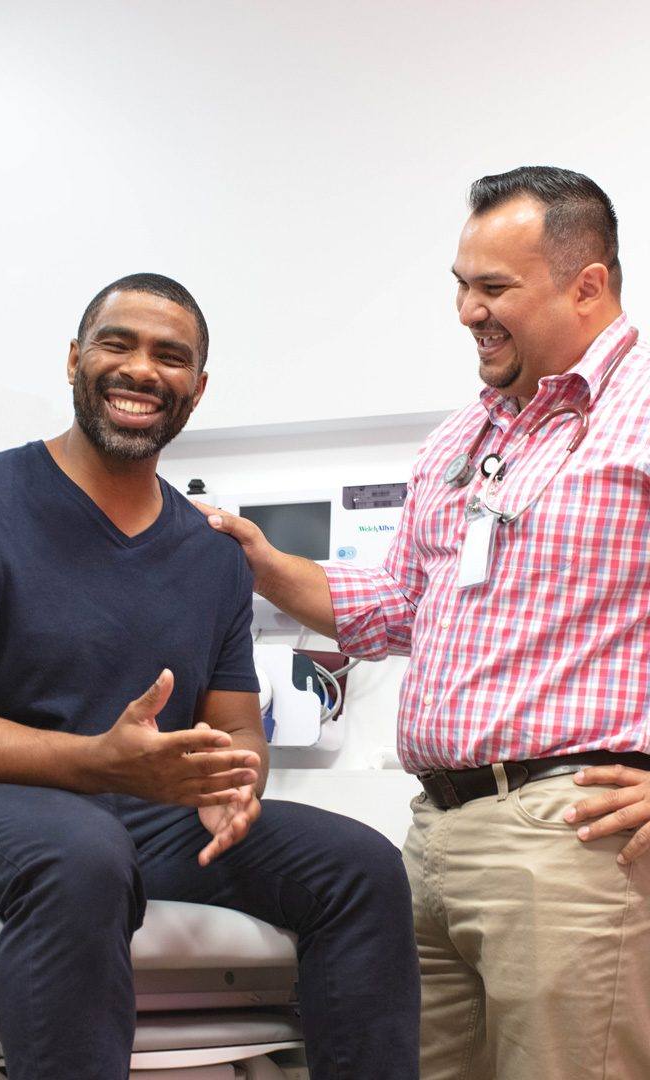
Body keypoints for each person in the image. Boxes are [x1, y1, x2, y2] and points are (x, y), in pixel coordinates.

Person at [197, 167, 650, 1080]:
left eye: (494, 288)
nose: (466, 311)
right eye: (459, 284)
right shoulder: (462, 438)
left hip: (575, 836)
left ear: (587, 284)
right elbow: (396, 608)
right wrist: (262, 563)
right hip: (435, 833)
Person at [0, 273, 419, 1080]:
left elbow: (234, 730)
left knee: (360, 865)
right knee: (81, 852)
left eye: (170, 356)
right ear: (74, 359)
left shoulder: (210, 554)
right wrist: (95, 762)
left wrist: (235, 784)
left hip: (142, 818)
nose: (142, 370)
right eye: (117, 344)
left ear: (197, 387)